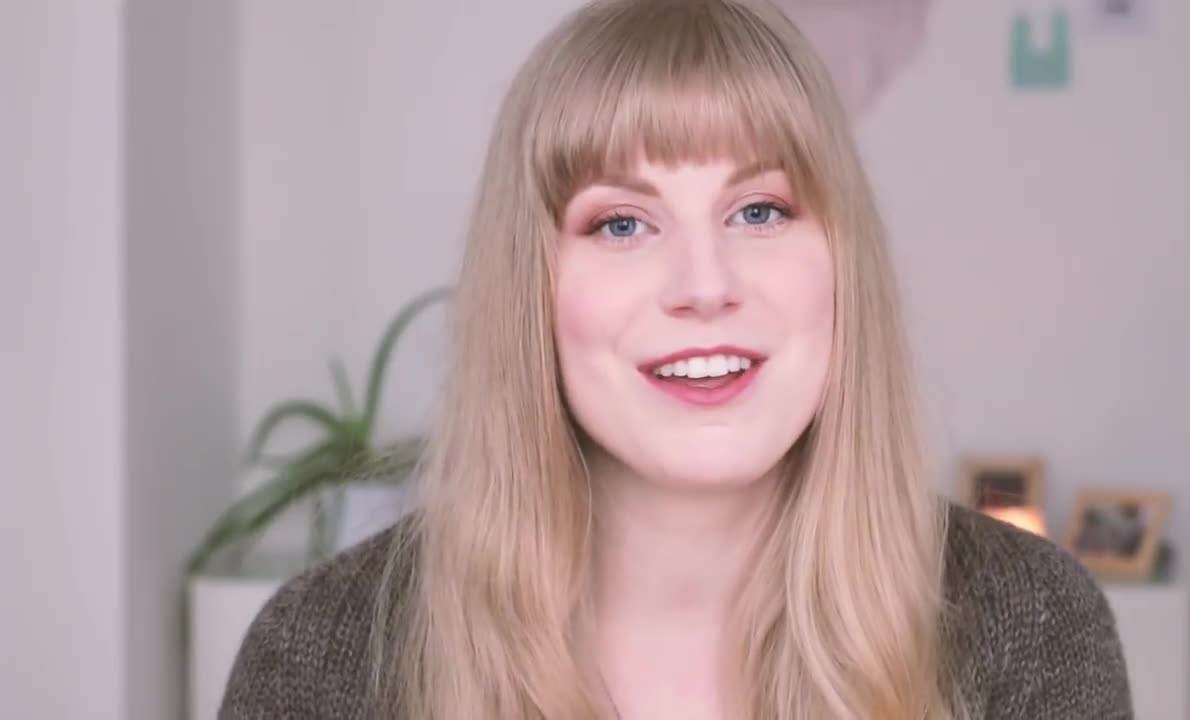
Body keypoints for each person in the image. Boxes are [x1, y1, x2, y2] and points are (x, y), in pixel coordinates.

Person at [220, 0, 1132, 718]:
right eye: (622, 222)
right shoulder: (320, 655)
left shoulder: (1032, 625)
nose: (704, 284)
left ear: (844, 265)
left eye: (760, 211)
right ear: (529, 290)